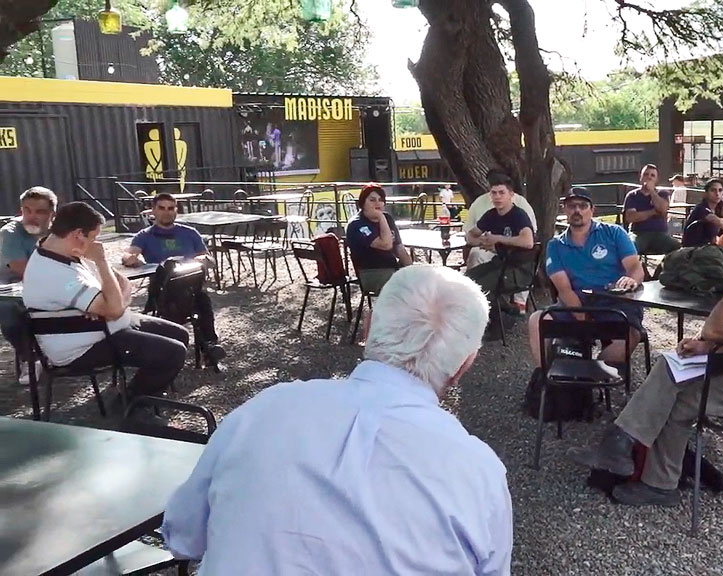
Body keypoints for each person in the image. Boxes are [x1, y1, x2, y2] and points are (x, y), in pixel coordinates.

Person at [162, 265, 513, 574]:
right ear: (465, 364)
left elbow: (182, 535)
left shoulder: (263, 410)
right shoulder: (479, 473)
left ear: (369, 325)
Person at [568, 225, 723, 506]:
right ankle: (620, 443)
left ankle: (657, 483)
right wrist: (705, 347)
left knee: (682, 402)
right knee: (670, 365)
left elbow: (717, 330)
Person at [22, 202, 188, 398]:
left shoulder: (66, 252)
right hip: (82, 348)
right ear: (78, 234)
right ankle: (133, 403)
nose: (96, 244)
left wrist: (112, 303)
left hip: (107, 327)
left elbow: (124, 285)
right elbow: (115, 308)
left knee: (180, 334)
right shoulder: (54, 272)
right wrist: (101, 264)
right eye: (94, 237)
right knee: (173, 352)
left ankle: (147, 392)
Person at [528, 188, 645, 370]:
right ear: (564, 209)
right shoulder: (555, 245)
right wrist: (583, 319)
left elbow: (635, 268)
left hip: (616, 300)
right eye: (572, 206)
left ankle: (593, 374)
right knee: (536, 320)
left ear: (592, 210)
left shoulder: (614, 233)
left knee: (630, 337)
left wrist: (632, 280)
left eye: (583, 206)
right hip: (577, 301)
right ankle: (544, 377)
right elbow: (564, 289)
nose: (577, 211)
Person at [122, 193, 226, 367]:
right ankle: (199, 347)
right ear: (153, 211)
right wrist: (130, 258)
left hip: (191, 287)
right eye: (161, 208)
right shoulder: (145, 235)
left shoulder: (189, 233)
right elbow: (129, 254)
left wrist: (203, 260)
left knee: (202, 299)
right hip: (162, 291)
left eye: (171, 208)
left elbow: (210, 260)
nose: (167, 212)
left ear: (176, 211)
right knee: (193, 294)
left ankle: (208, 344)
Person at [465, 171, 536, 338]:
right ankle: (505, 312)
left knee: (478, 286)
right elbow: (471, 235)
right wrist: (483, 242)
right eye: (494, 193)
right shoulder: (491, 215)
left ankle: (500, 321)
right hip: (501, 263)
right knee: (466, 280)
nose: (497, 197)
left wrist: (498, 238)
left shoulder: (519, 215)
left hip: (520, 269)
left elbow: (528, 242)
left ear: (511, 194)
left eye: (501, 193)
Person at [1, 186, 57, 384]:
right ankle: (30, 357)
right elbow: (23, 271)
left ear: (52, 214)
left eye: (39, 212)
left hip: (49, 283)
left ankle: (67, 352)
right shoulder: (9, 233)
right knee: (7, 310)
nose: (31, 216)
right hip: (10, 287)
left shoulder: (60, 231)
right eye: (27, 210)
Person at [345, 184, 413, 294]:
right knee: (407, 288)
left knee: (423, 282)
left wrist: (412, 270)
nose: (377, 203)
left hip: (393, 269)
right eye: (372, 200)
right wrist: (381, 217)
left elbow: (399, 247)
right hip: (370, 273)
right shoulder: (357, 224)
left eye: (380, 200)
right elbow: (386, 245)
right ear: (363, 203)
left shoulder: (388, 218)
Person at [622, 164, 681, 254]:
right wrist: (653, 212)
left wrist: (652, 191)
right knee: (630, 247)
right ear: (640, 177)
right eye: (646, 174)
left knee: (677, 247)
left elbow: (662, 209)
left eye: (652, 175)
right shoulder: (632, 195)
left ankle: (662, 267)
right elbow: (631, 217)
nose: (649, 177)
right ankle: (639, 267)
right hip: (638, 233)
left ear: (656, 180)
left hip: (660, 234)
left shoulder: (662, 193)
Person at [681, 179, 723, 247]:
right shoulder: (701, 208)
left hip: (707, 247)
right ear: (705, 194)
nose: (717, 194)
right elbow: (719, 222)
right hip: (693, 249)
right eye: (713, 190)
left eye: (720, 190)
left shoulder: (718, 210)